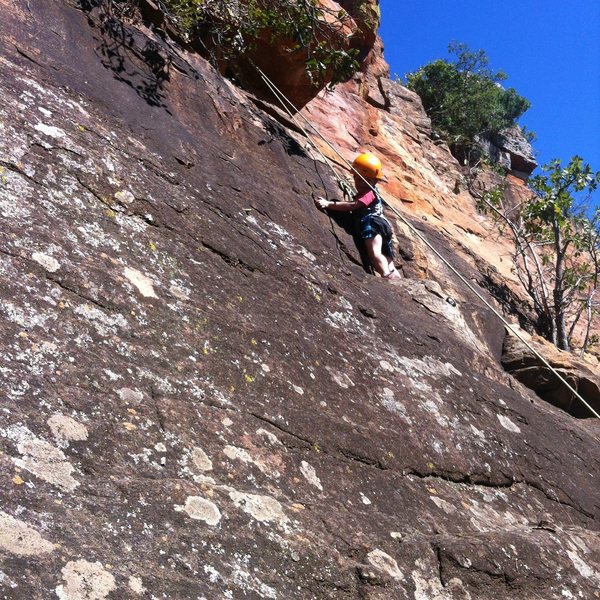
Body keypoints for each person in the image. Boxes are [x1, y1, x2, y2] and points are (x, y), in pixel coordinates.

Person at [314, 152, 400, 279]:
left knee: (374, 252)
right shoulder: (374, 191)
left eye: (361, 179)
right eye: (356, 178)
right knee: (385, 253)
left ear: (373, 180)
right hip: (382, 224)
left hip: (372, 222)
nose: (358, 182)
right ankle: (393, 273)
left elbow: (353, 205)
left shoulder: (368, 192)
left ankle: (386, 274)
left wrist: (328, 204)